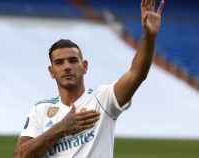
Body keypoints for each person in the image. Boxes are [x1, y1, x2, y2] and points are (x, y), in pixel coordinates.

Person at [13, 0, 164, 157]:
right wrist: (60, 128)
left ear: (84, 66)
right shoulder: (40, 110)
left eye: (72, 60)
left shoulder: (103, 98)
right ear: (51, 72)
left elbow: (137, 73)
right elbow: (20, 156)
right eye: (59, 63)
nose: (67, 67)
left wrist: (149, 36)